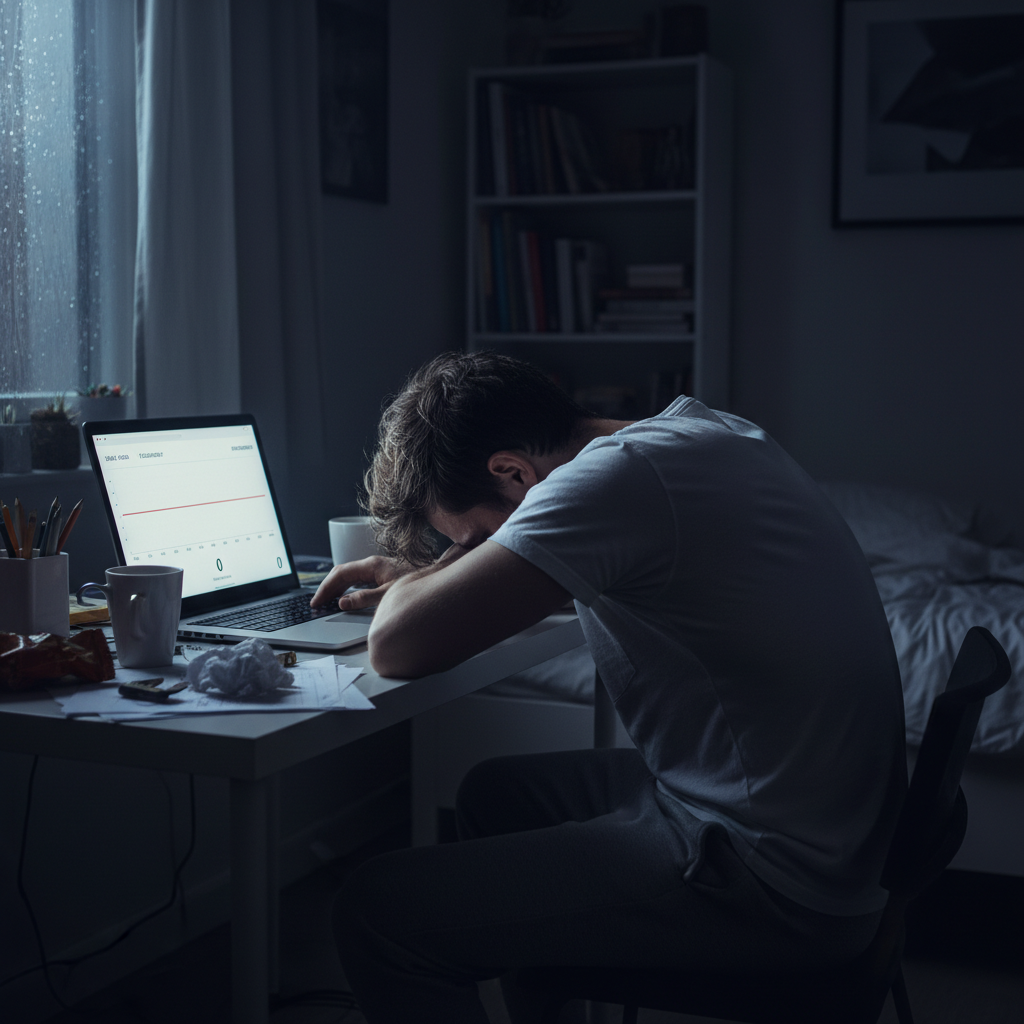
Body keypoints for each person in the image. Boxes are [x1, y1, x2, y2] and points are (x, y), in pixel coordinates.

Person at [311, 351, 907, 1024]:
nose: (468, 556)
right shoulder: (692, 435)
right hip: (826, 836)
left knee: (377, 910)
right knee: (494, 795)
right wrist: (448, 569)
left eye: (470, 541)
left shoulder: (609, 481)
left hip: (772, 876)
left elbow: (397, 648)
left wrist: (416, 580)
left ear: (513, 472)